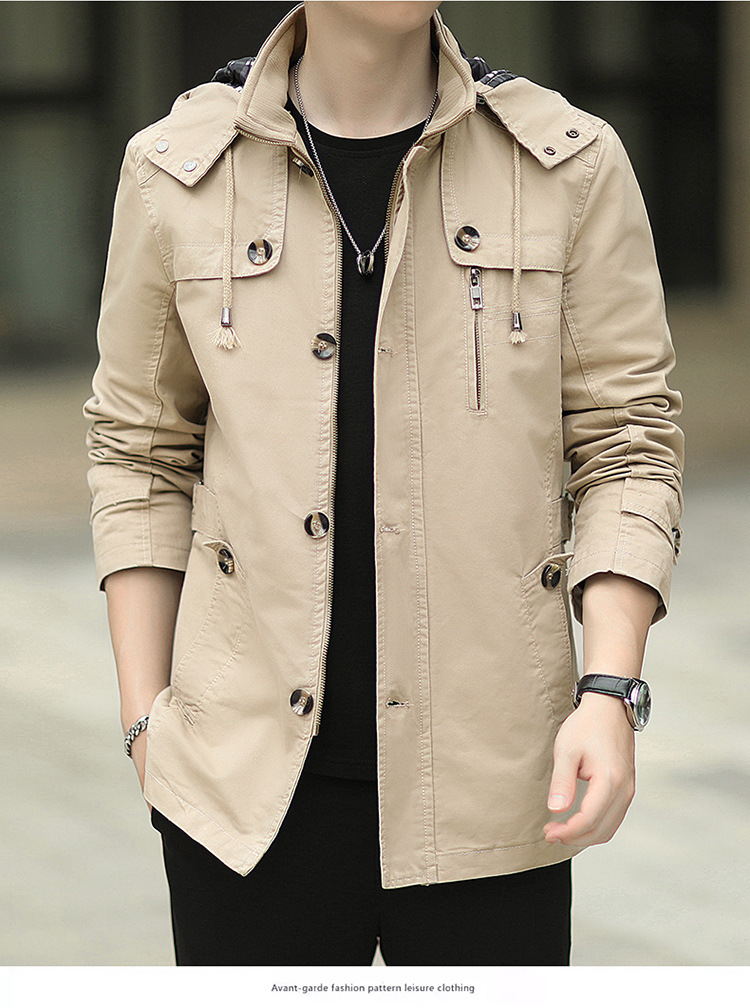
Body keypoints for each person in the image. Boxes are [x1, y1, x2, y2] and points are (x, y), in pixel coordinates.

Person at [82, 0, 685, 966]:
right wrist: (145, 720)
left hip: (493, 793)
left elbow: (627, 443)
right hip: (243, 798)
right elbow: (139, 450)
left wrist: (610, 691)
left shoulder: (567, 164)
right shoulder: (175, 169)